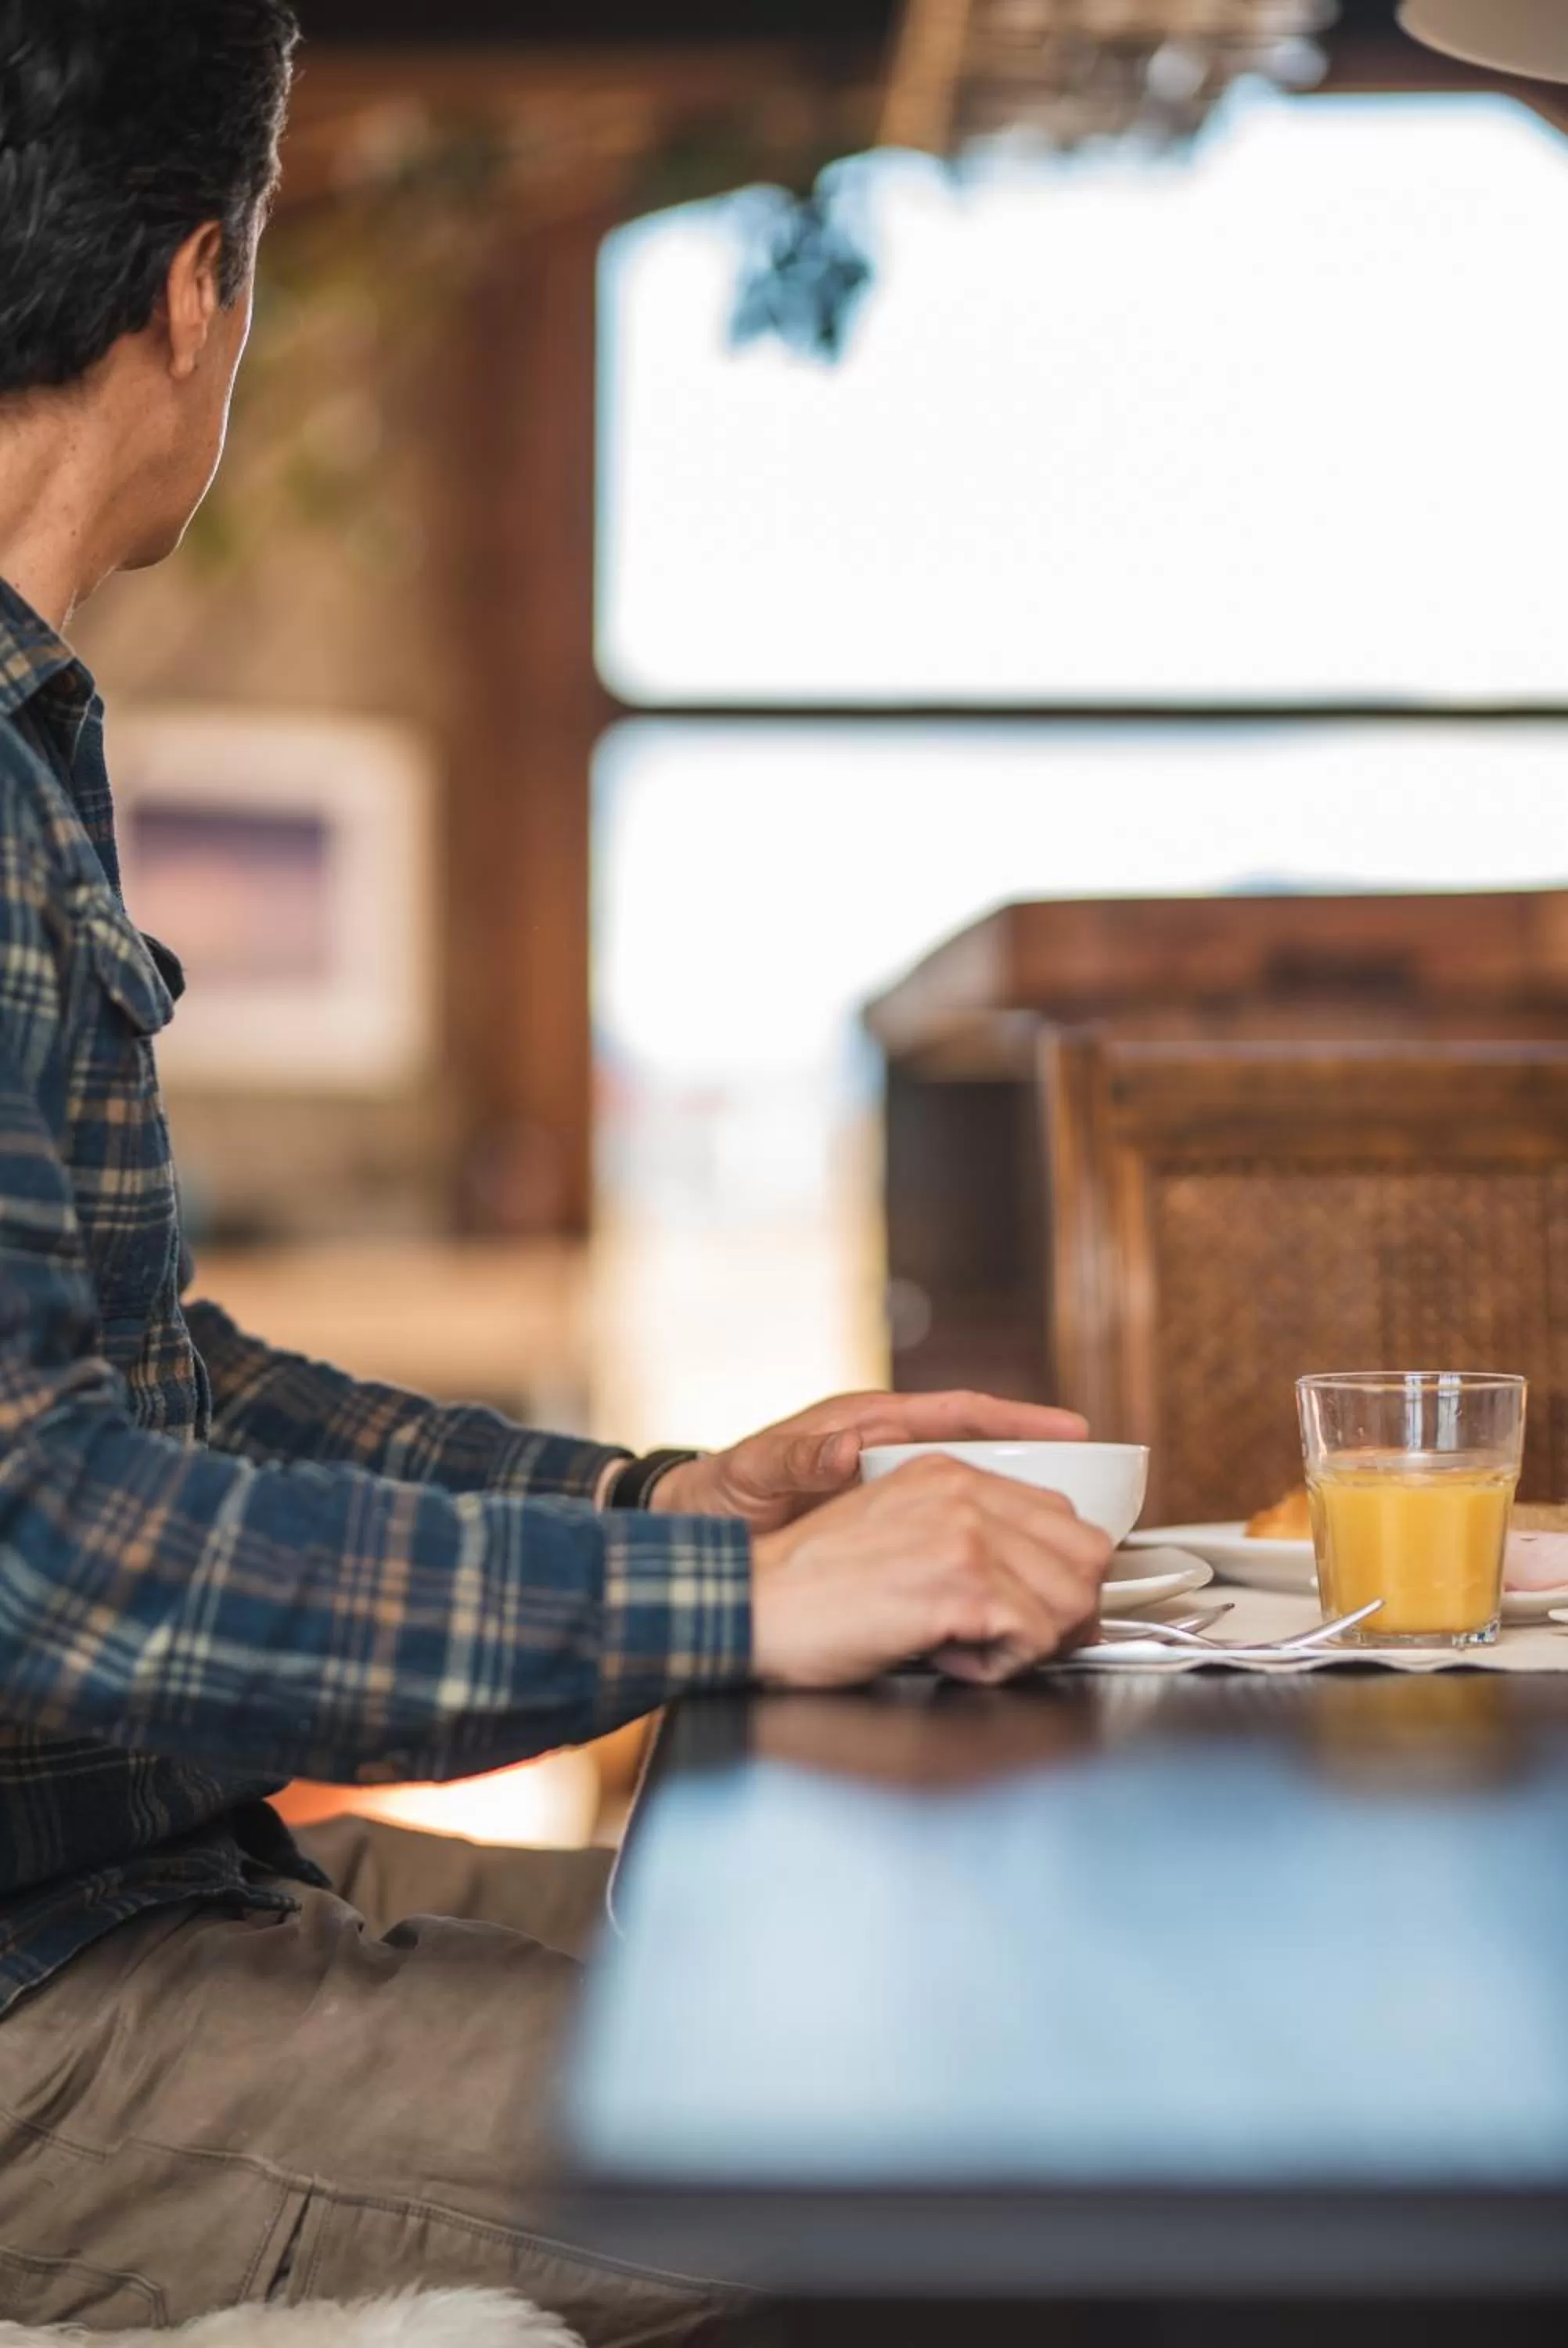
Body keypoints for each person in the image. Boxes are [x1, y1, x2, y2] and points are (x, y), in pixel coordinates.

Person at [0, 4, 1111, 2338]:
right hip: (40, 2003)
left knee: (966, 2000)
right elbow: (40, 1544)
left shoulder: (25, 740)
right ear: (200, 286)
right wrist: (739, 1617)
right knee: (985, 2155)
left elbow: (134, 1394)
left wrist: (647, 1511)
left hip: (121, 1880)